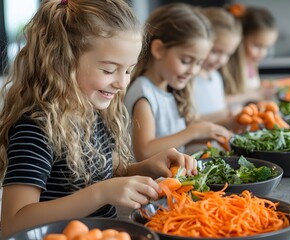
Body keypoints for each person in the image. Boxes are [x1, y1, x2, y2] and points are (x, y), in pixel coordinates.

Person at [0, 0, 197, 236]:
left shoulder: (96, 113)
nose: (122, 83)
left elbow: (104, 173)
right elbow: (14, 222)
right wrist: (101, 193)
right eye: (109, 70)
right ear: (62, 61)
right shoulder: (35, 129)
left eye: (128, 70)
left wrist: (146, 167)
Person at [124, 3, 232, 161]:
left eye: (198, 63)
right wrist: (193, 131)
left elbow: (174, 143)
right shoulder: (143, 94)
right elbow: (144, 152)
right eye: (186, 60)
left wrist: (213, 133)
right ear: (159, 49)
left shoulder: (171, 89)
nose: (193, 71)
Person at [192, 6, 242, 129]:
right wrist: (225, 117)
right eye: (215, 51)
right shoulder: (187, 79)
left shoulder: (215, 77)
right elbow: (188, 123)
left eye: (228, 54)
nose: (222, 60)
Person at [221, 4, 278, 106]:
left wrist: (262, 90)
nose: (263, 53)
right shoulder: (225, 66)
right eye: (257, 46)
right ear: (240, 39)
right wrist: (254, 94)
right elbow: (218, 101)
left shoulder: (251, 63)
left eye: (267, 47)